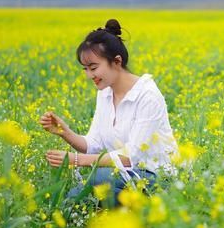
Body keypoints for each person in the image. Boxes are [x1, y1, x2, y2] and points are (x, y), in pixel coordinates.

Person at [39, 19, 179, 207]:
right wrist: (64, 132)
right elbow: (93, 144)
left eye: (94, 68)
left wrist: (77, 160)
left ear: (117, 61)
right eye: (86, 69)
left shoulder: (148, 96)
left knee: (100, 178)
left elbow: (130, 157)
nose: (89, 75)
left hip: (157, 178)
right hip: (124, 177)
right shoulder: (105, 93)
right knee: (79, 197)